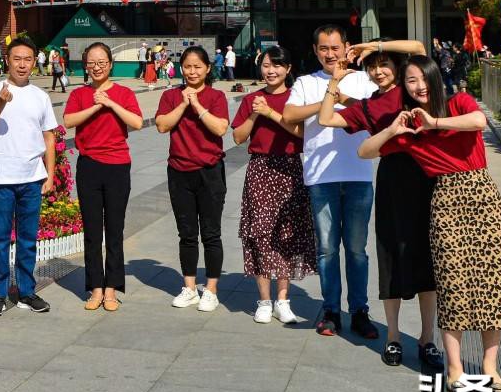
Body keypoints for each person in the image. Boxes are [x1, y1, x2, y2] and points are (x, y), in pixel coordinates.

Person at [358, 55, 501, 392]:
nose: (419, 86)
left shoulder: (456, 102)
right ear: (403, 87)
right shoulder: (409, 130)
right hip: (445, 203)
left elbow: (479, 120)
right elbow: (365, 150)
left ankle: (491, 369)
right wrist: (393, 129)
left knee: (495, 285)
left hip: (482, 196)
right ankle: (455, 368)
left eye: (423, 78)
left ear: (434, 78)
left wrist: (434, 122)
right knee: (452, 286)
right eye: (410, 81)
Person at [317, 40, 444, 373]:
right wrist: (335, 80)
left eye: (385, 63)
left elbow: (417, 45)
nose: (379, 70)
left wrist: (373, 44)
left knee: (427, 261)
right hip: (392, 181)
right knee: (389, 257)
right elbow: (326, 118)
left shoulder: (408, 89)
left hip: (428, 176)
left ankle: (427, 338)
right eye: (372, 66)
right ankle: (393, 337)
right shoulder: (367, 107)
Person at [281, 25, 379, 339]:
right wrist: (329, 93)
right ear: (315, 51)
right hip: (321, 177)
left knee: (356, 249)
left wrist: (342, 92)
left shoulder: (365, 80)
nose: (330, 54)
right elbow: (289, 115)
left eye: (335, 47)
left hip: (358, 174)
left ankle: (360, 310)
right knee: (326, 249)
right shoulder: (305, 82)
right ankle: (331, 310)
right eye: (324, 48)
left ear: (347, 47)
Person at [231, 46, 315, 325]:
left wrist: (270, 113)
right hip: (260, 169)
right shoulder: (252, 99)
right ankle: (264, 300)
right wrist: (256, 114)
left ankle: (283, 300)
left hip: (290, 168)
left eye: (277, 65)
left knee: (287, 234)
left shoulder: (295, 98)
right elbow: (238, 138)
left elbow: (302, 136)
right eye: (266, 65)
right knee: (260, 233)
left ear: (288, 69)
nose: (271, 71)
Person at [0, 39, 59, 315]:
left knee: (27, 238)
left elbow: (49, 136)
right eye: (17, 59)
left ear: (34, 62)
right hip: (1, 178)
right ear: (7, 61)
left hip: (32, 177)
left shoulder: (41, 96)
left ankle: (26, 291)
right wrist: (0, 102)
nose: (22, 64)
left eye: (27, 59)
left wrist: (50, 173)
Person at [61, 43, 144, 311]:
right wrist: (96, 107)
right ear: (85, 65)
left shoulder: (123, 92)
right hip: (89, 167)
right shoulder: (80, 94)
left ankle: (112, 290)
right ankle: (95, 288)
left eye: (102, 62)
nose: (96, 67)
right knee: (93, 232)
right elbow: (69, 121)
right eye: (91, 62)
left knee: (115, 230)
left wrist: (109, 103)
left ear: (110, 64)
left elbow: (137, 122)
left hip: (118, 167)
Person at [155, 45, 230, 312]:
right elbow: (163, 125)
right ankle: (189, 287)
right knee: (186, 234)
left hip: (210, 172)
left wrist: (196, 103)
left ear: (208, 68)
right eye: (188, 66)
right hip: (179, 172)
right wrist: (183, 103)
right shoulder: (171, 95)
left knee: (211, 233)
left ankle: (210, 289)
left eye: (198, 66)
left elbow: (221, 127)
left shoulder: (216, 96)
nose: (192, 71)